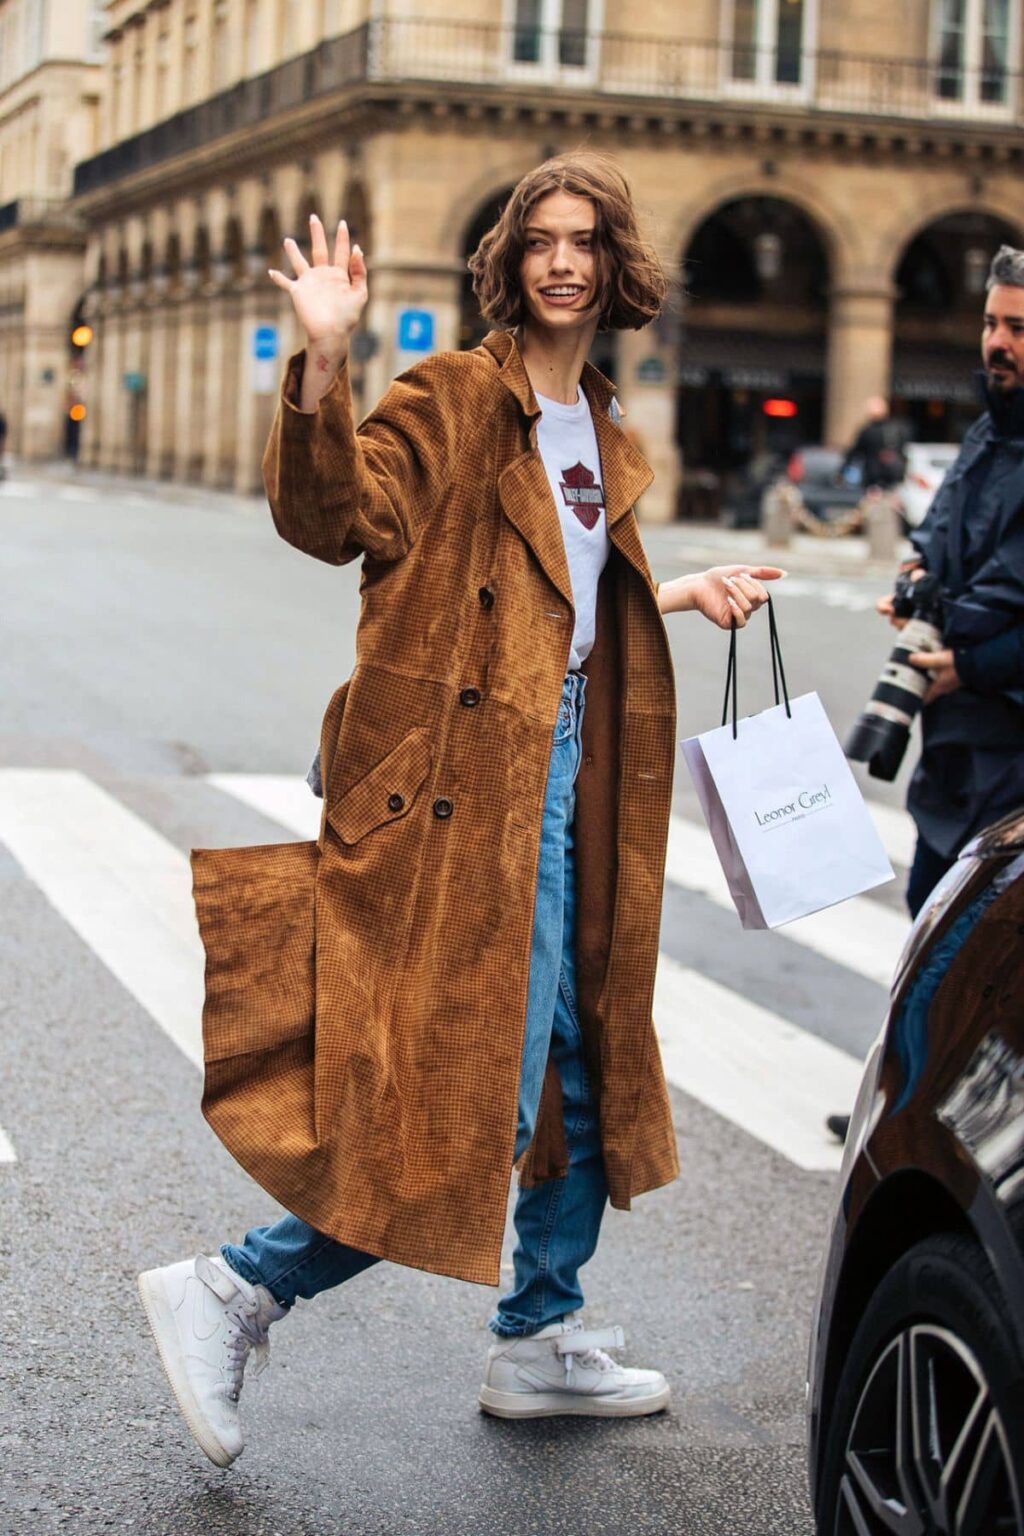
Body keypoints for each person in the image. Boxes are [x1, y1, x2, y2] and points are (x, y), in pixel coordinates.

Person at [137, 152, 784, 1467]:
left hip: (576, 774)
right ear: (509, 257)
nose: (562, 259)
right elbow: (332, 515)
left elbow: (550, 599)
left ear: (616, 264)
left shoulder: (607, 433)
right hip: (460, 795)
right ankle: (238, 1286)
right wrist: (322, 363)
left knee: (578, 1067)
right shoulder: (453, 396)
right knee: (472, 1084)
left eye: (586, 238)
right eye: (540, 237)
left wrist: (674, 593)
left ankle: (541, 1332)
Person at [827, 244, 1024, 1145]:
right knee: (928, 920)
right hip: (954, 741)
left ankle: (945, 1125)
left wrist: (964, 653)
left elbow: (1005, 597)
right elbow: (942, 546)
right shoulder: (989, 435)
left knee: (984, 950)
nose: (998, 342)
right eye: (992, 322)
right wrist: (915, 575)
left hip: (1010, 745)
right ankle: (903, 1104)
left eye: (1017, 328)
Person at [841, 395, 910, 491]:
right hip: (894, 480)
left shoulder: (868, 431)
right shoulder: (898, 429)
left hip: (873, 479)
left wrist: (842, 469)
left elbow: (855, 452)